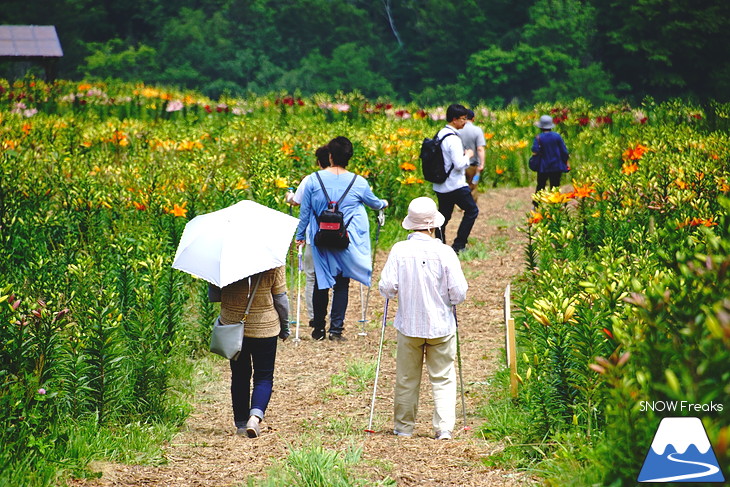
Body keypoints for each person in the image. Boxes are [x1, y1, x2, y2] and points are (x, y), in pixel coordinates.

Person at [378, 197, 468, 440]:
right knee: (443, 377)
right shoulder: (445, 252)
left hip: (409, 326)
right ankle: (444, 428)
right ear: (433, 225)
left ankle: (403, 428)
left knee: (407, 378)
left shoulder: (399, 250)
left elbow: (387, 287)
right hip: (441, 326)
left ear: (411, 224)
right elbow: (459, 293)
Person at [295, 136, 388, 341]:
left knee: (321, 282)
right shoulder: (358, 182)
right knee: (341, 283)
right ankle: (336, 330)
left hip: (320, 238)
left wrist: (300, 236)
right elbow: (374, 203)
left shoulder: (313, 179)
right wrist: (384, 203)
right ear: (349, 157)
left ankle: (318, 329)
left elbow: (305, 211)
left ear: (330, 156)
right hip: (344, 239)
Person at [219, 266, 290, 438]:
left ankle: (241, 423)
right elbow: (280, 299)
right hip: (265, 327)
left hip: (233, 326)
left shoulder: (225, 259)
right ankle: (255, 417)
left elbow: (214, 294)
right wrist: (285, 325)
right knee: (264, 376)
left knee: (239, 375)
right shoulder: (273, 260)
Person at [286, 146, 331, 327]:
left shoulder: (310, 180)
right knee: (334, 278)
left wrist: (288, 196)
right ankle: (334, 318)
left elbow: (297, 202)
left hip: (315, 236)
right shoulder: (344, 179)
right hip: (339, 237)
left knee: (311, 276)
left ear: (319, 162)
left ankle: (315, 317)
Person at [433, 103, 479, 254]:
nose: (465, 122)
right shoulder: (453, 139)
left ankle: (440, 246)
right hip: (455, 184)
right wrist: (469, 155)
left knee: (443, 217)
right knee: (472, 210)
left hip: (440, 184)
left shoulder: (440, 134)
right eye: (463, 119)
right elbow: (459, 164)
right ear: (454, 119)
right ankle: (459, 245)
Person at [532, 114, 570, 206]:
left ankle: (537, 204)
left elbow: (535, 150)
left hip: (543, 167)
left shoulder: (539, 137)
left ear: (541, 127)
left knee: (541, 186)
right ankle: (555, 204)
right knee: (555, 186)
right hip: (556, 166)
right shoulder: (557, 136)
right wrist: (566, 163)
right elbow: (564, 152)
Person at [458, 109, 486, 202]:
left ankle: (460, 204)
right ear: (473, 118)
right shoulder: (477, 130)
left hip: (459, 163)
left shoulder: (458, 130)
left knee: (459, 186)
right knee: (472, 186)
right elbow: (480, 149)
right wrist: (481, 164)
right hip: (472, 165)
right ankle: (471, 206)